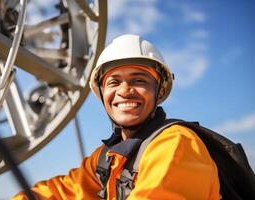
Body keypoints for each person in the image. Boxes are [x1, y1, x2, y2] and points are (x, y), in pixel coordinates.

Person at [13, 34, 220, 200]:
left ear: (160, 92)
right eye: (113, 82)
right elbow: (63, 192)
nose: (125, 90)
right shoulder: (107, 157)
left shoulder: (176, 144)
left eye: (138, 80)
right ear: (102, 94)